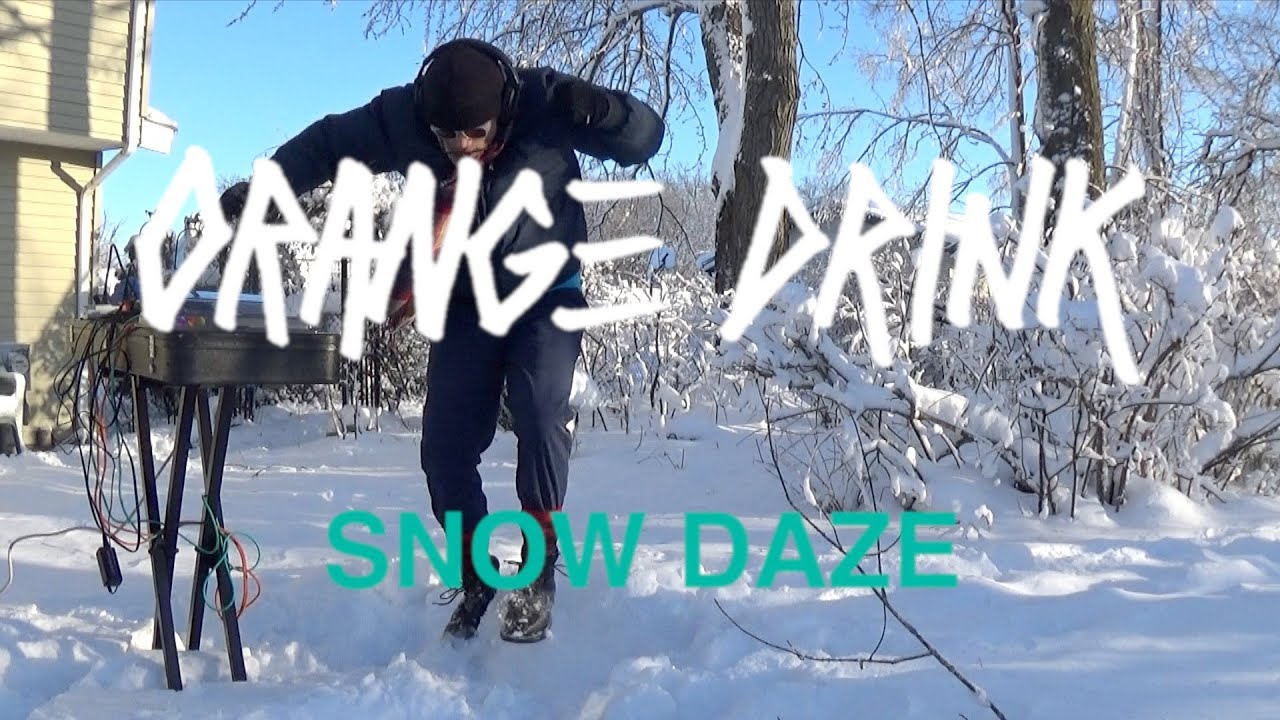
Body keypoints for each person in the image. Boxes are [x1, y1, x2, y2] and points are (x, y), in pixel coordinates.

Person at [218, 38, 665, 643]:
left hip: (544, 295)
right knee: (445, 450)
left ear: (502, 109)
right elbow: (328, 143)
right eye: (446, 136)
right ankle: (477, 573)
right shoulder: (404, 117)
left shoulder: (546, 102)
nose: (461, 146)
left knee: (538, 413)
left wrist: (607, 112)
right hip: (463, 298)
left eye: (474, 133)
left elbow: (644, 139)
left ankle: (537, 567)